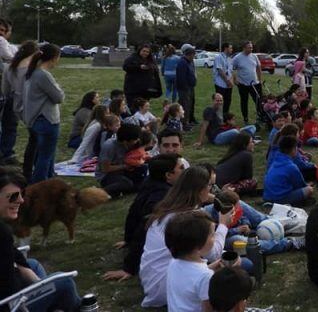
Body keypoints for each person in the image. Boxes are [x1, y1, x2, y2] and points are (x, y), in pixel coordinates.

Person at [139, 166, 232, 308]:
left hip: (155, 281)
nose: (211, 189)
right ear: (200, 189)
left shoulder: (168, 209)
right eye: (210, 186)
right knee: (239, 262)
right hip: (169, 285)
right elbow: (213, 253)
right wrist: (224, 224)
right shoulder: (189, 218)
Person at [0, 167, 83, 311]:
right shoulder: (2, 233)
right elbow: (9, 291)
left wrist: (41, 285)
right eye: (13, 196)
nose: (20, 200)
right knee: (64, 282)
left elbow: (16, 258)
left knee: (33, 265)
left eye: (21, 194)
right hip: (8, 304)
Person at [103, 154, 184, 282]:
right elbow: (144, 228)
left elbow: (134, 211)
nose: (184, 171)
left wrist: (127, 239)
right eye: (181, 168)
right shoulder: (162, 198)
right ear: (168, 175)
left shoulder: (151, 182)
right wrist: (129, 268)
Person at [164, 210, 223, 312]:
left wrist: (213, 267)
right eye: (212, 235)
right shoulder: (206, 276)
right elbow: (209, 309)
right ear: (198, 245)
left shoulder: (174, 262)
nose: (215, 237)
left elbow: (191, 277)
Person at [22, 43, 64, 184]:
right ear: (53, 58)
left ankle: (50, 179)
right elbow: (59, 97)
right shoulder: (43, 75)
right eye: (58, 57)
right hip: (46, 120)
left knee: (47, 154)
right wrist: (59, 88)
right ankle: (40, 185)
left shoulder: (32, 72)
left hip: (35, 119)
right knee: (45, 156)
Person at [1, 41, 37, 177]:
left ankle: (10, 157)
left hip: (14, 103)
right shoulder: (32, 69)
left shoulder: (9, 68)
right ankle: (30, 168)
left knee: (11, 129)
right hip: (31, 104)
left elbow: (5, 90)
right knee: (35, 138)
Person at [97, 124, 144, 198]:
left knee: (141, 181)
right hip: (106, 175)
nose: (137, 140)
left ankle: (117, 191)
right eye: (135, 140)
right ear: (125, 141)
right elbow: (105, 169)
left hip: (122, 172)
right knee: (127, 184)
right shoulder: (109, 146)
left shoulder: (131, 144)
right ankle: (99, 193)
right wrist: (126, 166)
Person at [263, 136, 313, 205]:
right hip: (279, 199)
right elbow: (300, 185)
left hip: (267, 196)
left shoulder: (275, 160)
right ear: (293, 149)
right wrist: (307, 186)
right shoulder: (291, 166)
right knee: (309, 190)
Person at [0, 20, 19, 166]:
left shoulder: (9, 45)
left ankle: (7, 154)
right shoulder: (2, 43)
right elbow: (12, 57)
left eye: (3, 30)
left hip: (9, 90)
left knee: (10, 124)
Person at [231, 41, 263, 124]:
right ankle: (245, 119)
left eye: (251, 47)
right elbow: (232, 69)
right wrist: (235, 80)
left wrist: (260, 80)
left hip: (255, 83)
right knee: (244, 102)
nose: (251, 49)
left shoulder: (254, 56)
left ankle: (260, 117)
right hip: (243, 84)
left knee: (258, 101)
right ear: (244, 48)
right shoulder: (237, 58)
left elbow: (258, 68)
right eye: (249, 47)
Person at [123, 43, 161, 108]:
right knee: (133, 107)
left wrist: (150, 67)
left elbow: (155, 70)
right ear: (140, 50)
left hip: (146, 89)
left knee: (143, 107)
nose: (145, 53)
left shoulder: (151, 60)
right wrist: (139, 67)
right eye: (144, 51)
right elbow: (125, 67)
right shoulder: (132, 58)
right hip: (133, 89)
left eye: (147, 52)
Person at [176, 44, 198, 128]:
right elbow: (181, 78)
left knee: (189, 104)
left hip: (190, 87)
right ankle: (184, 124)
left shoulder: (189, 62)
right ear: (189, 54)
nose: (194, 57)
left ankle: (188, 121)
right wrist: (185, 88)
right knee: (185, 105)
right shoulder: (183, 62)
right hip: (184, 88)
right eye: (193, 55)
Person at [213, 43, 235, 115]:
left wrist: (231, 82)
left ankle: (225, 117)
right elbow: (220, 71)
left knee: (227, 102)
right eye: (230, 48)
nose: (232, 50)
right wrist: (227, 81)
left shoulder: (229, 59)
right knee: (219, 102)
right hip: (221, 84)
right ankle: (218, 118)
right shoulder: (219, 57)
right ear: (226, 48)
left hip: (228, 85)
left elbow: (231, 71)